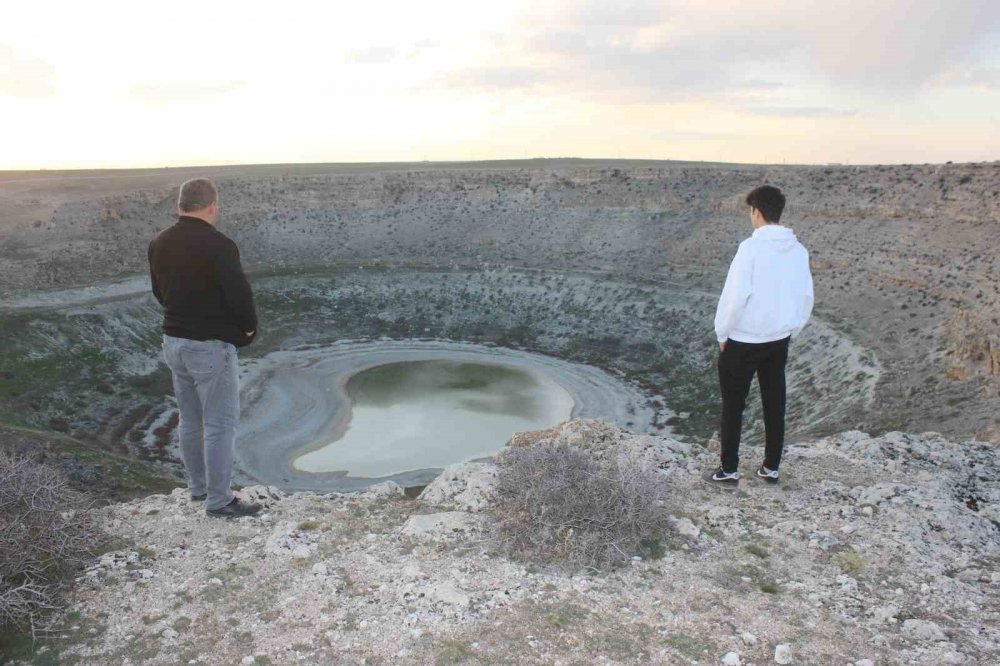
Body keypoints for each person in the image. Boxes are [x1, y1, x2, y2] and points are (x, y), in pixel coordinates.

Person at [148, 178, 262, 517]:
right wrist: (247, 329)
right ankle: (219, 500)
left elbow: (159, 292)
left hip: (174, 341)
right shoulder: (218, 244)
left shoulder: (158, 242)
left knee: (190, 420)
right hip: (208, 347)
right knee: (219, 424)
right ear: (211, 206)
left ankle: (198, 490)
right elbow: (238, 294)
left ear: (180, 205)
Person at [710, 185, 813, 487]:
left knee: (733, 404)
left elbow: (734, 296)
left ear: (756, 211)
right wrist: (792, 328)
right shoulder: (799, 250)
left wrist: (723, 332)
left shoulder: (750, 249)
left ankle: (729, 469)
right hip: (778, 339)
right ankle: (771, 467)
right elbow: (806, 296)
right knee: (774, 400)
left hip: (744, 339)